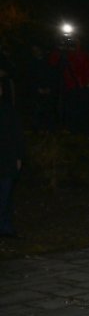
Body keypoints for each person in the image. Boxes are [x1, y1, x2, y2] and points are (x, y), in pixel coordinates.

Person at [49, 39, 89, 133]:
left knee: (82, 107)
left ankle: (83, 127)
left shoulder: (82, 54)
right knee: (71, 107)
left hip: (82, 85)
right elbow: (53, 64)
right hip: (69, 86)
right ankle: (72, 127)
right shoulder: (62, 55)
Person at [0, 79, 23, 237]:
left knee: (6, 195)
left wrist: (19, 156)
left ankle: (6, 226)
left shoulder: (8, 110)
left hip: (7, 159)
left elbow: (16, 134)